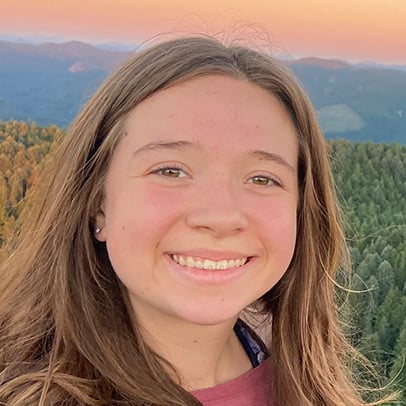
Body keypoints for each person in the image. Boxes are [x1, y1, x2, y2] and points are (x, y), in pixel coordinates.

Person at [0, 35, 393, 405]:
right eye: (171, 171)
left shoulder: (303, 376)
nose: (220, 217)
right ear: (97, 204)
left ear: (301, 210)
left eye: (262, 178)